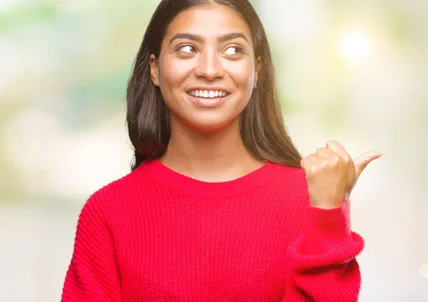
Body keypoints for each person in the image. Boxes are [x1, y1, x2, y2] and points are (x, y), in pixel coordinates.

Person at [61, 0, 380, 301]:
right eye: (187, 48)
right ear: (155, 69)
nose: (210, 69)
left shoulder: (310, 201)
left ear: (256, 71)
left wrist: (327, 216)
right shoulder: (107, 213)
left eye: (232, 49)